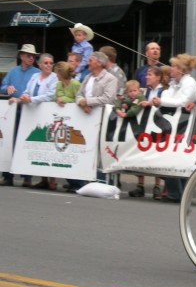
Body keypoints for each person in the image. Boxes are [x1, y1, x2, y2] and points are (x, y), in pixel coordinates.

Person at [69, 51, 118, 192]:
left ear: (99, 63)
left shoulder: (110, 79)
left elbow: (108, 98)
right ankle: (83, 179)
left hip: (102, 119)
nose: (88, 63)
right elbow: (78, 95)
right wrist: (82, 103)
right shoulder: (88, 77)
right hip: (85, 118)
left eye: (90, 60)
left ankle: (100, 179)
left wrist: (88, 102)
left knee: (99, 150)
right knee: (84, 147)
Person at [154, 54, 196, 202]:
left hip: (184, 126)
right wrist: (165, 100)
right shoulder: (175, 83)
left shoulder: (190, 83)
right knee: (173, 157)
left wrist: (162, 101)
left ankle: (176, 193)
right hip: (174, 125)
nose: (171, 69)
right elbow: (170, 96)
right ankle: (176, 192)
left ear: (180, 69)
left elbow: (182, 101)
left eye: (174, 66)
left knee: (177, 158)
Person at [11, 53, 58, 190]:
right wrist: (23, 97)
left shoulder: (54, 78)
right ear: (40, 64)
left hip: (48, 115)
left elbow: (50, 96)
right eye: (46, 63)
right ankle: (43, 178)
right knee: (37, 145)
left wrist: (31, 100)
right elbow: (27, 91)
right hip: (33, 115)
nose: (49, 65)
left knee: (50, 146)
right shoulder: (34, 77)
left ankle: (52, 179)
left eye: (51, 63)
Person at [0, 44, 41, 187]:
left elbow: (38, 90)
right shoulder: (13, 71)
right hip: (13, 110)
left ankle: (27, 176)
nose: (31, 58)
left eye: (33, 56)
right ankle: (7, 175)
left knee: (25, 142)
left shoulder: (36, 72)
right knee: (9, 140)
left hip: (27, 109)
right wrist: (7, 88)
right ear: (21, 56)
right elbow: (3, 86)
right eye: (28, 55)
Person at [128, 66, 167, 199]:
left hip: (158, 127)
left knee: (156, 155)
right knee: (141, 153)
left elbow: (164, 106)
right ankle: (140, 185)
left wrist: (150, 104)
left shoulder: (164, 91)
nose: (146, 77)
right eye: (147, 75)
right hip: (145, 126)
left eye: (150, 75)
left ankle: (157, 186)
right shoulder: (146, 91)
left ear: (158, 77)